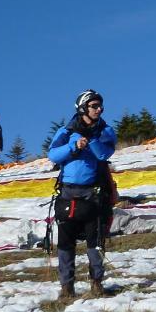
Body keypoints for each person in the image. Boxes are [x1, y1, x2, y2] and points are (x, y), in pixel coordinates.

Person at [47, 90, 116, 300]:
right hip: (68, 194)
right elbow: (53, 155)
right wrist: (73, 145)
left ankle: (96, 283)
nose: (99, 109)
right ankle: (67, 287)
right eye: (94, 106)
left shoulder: (105, 130)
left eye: (100, 106)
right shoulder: (66, 131)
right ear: (83, 107)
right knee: (66, 244)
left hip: (93, 195)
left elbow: (105, 153)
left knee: (95, 244)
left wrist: (90, 140)